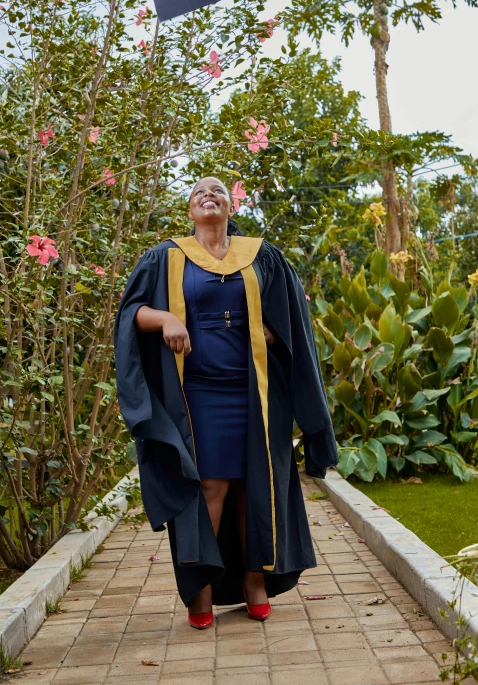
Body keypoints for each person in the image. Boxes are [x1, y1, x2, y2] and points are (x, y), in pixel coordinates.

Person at [114, 176, 338, 629]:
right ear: (190, 209)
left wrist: (274, 330)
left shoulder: (261, 256)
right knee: (211, 486)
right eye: (199, 192)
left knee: (254, 486)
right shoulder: (167, 257)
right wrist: (166, 318)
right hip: (197, 394)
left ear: (231, 204)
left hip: (256, 392)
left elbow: (292, 316)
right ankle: (201, 589)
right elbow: (131, 313)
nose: (208, 195)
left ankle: (255, 581)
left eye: (217, 190)